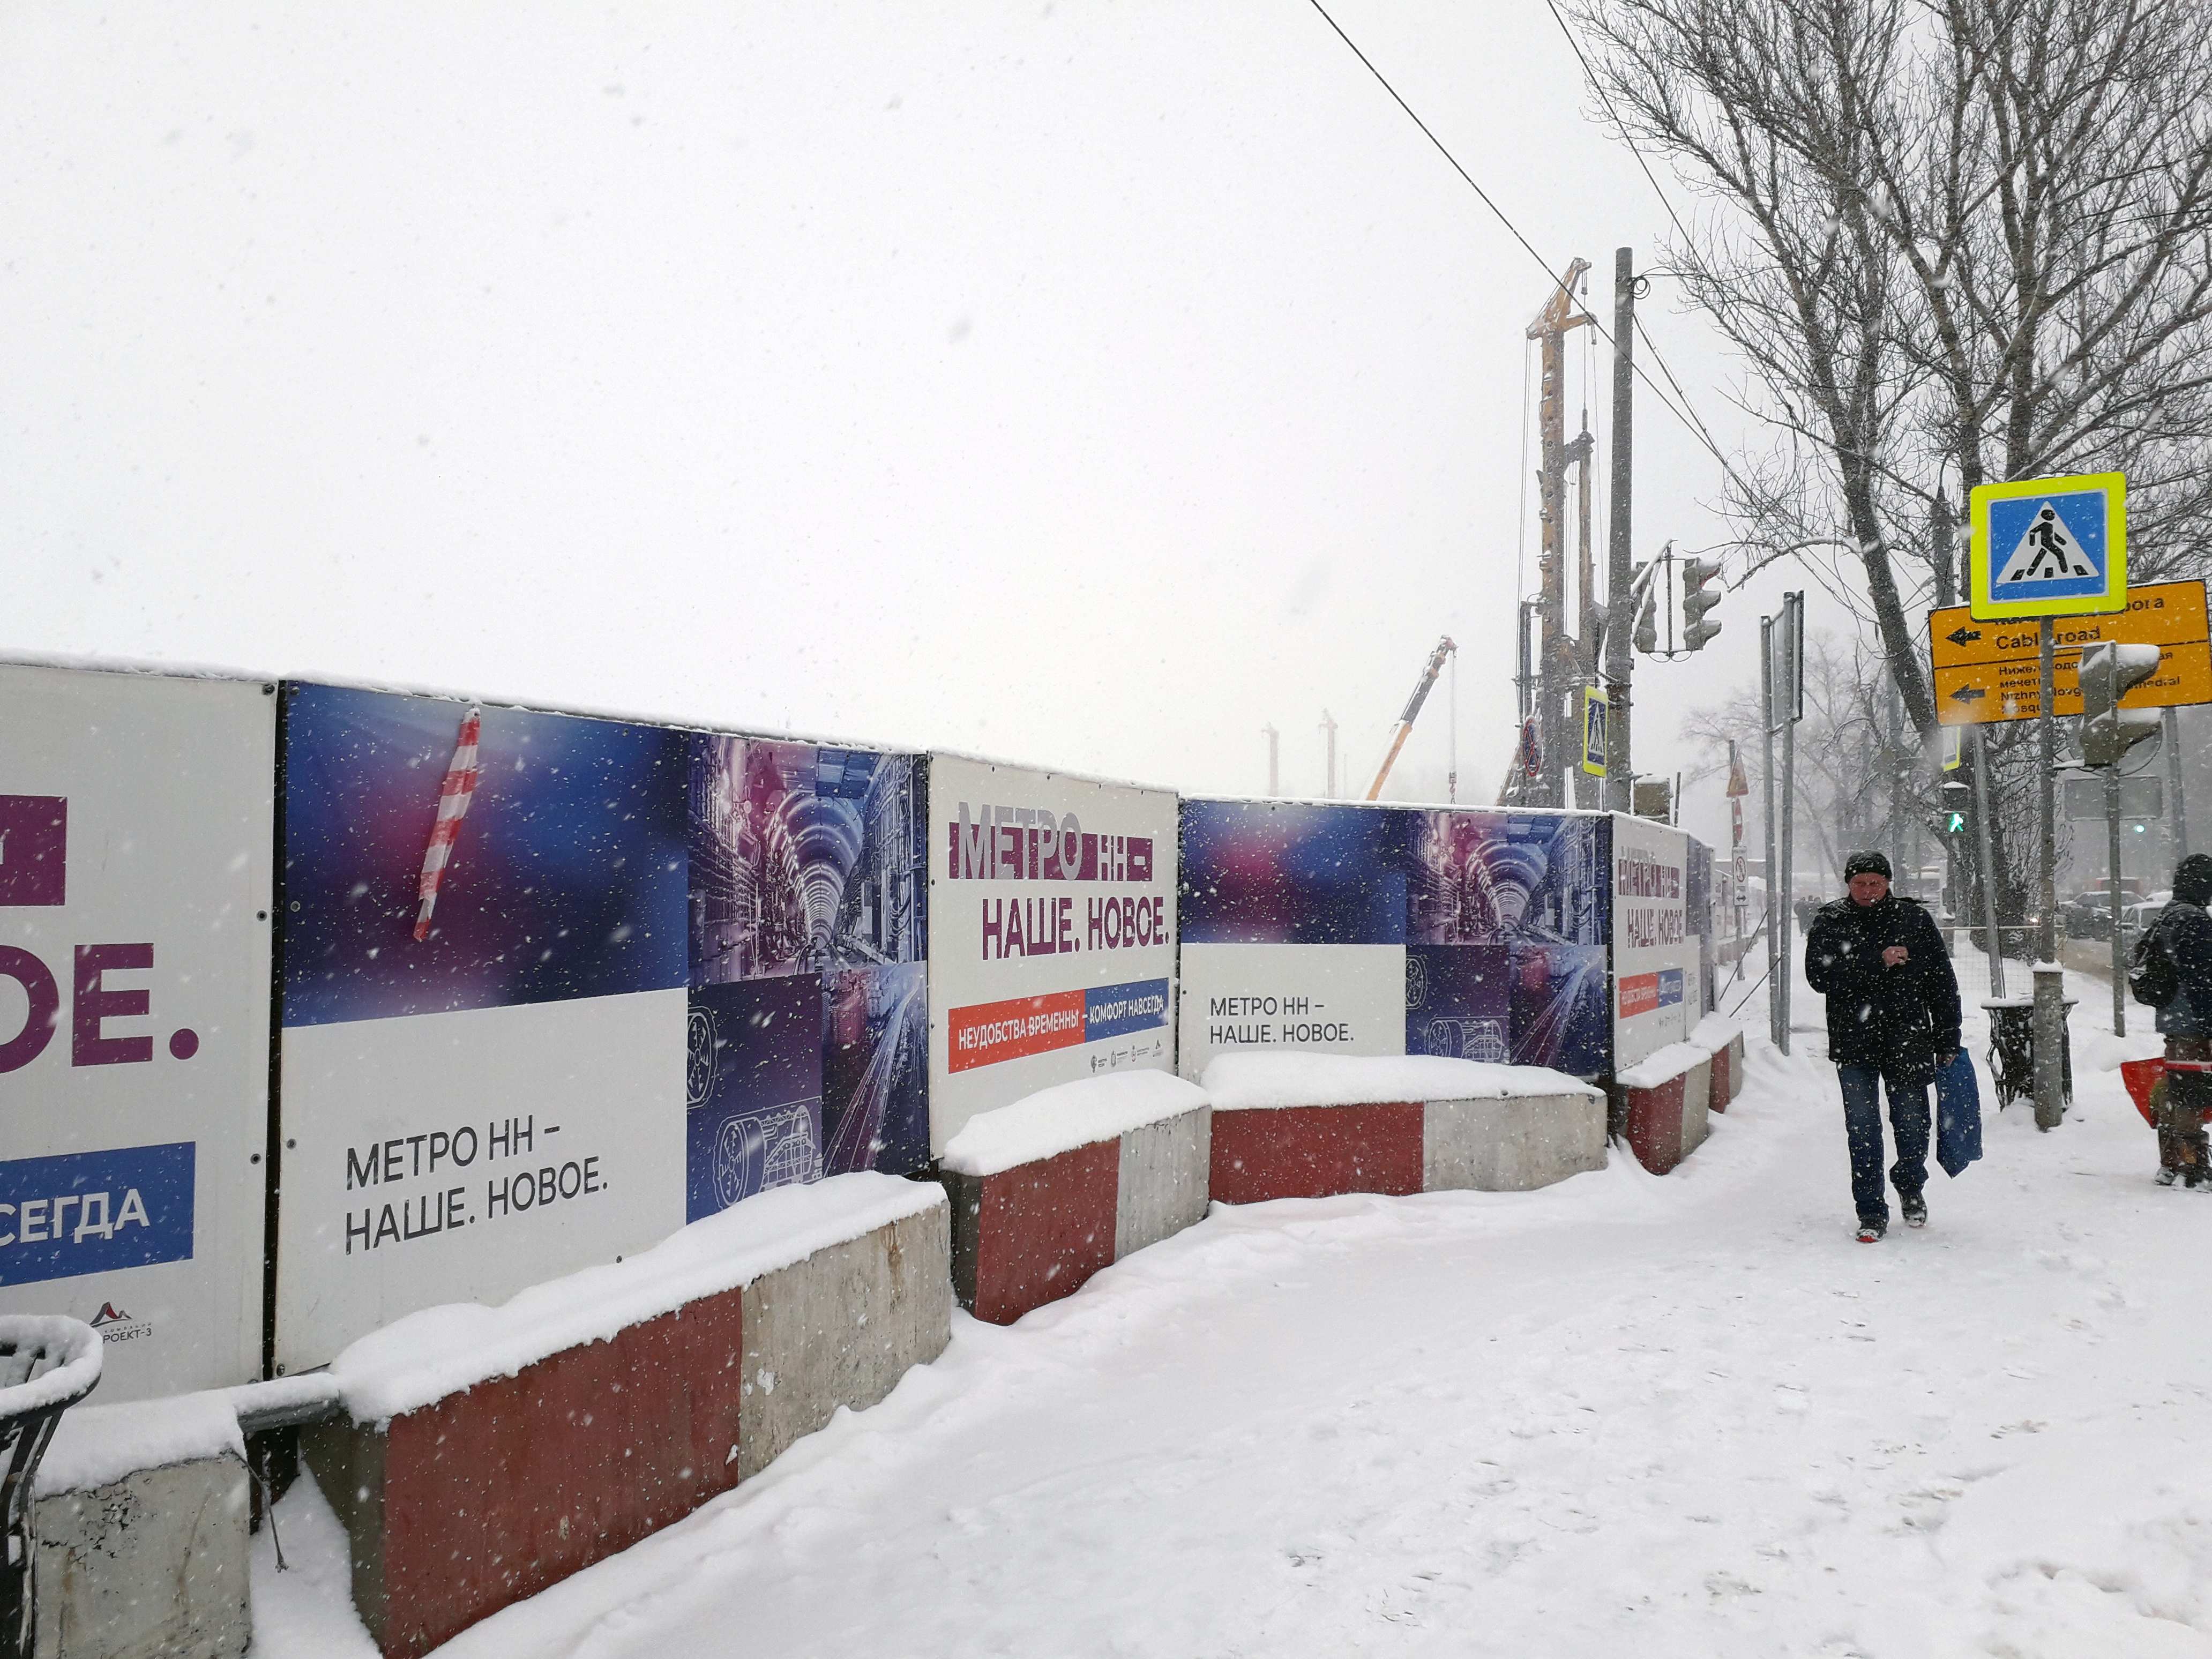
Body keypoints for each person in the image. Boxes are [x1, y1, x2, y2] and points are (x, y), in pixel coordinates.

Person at [1805, 850, 1963, 1242]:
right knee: (1862, 1128)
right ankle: (1871, 1211)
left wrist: (1948, 1036)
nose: (1868, 890)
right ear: (1848, 884)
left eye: (1876, 883)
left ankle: (1911, 1186)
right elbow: (1819, 975)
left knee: (1912, 1125)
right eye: (1860, 883)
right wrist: (1876, 960)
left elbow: (1941, 981)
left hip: (1908, 1038)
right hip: (1853, 1039)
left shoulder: (1914, 919)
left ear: (1889, 883)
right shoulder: (1831, 919)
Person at [2147, 853, 2212, 1188]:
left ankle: (2171, 1163)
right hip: (2196, 1020)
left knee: (2178, 1088)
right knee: (2192, 1092)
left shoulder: (2168, 915)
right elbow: (2203, 977)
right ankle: (2194, 1166)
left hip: (2173, 1018)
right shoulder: (2195, 921)